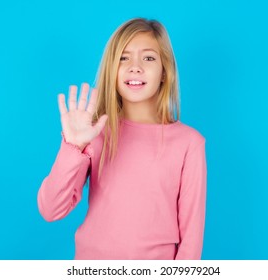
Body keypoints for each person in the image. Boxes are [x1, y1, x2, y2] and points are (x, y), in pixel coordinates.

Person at [37, 18, 207, 260]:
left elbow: (191, 239)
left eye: (148, 58)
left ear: (164, 72)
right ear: (112, 70)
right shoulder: (95, 133)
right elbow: (50, 209)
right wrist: (74, 145)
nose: (135, 67)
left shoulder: (189, 143)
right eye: (124, 58)